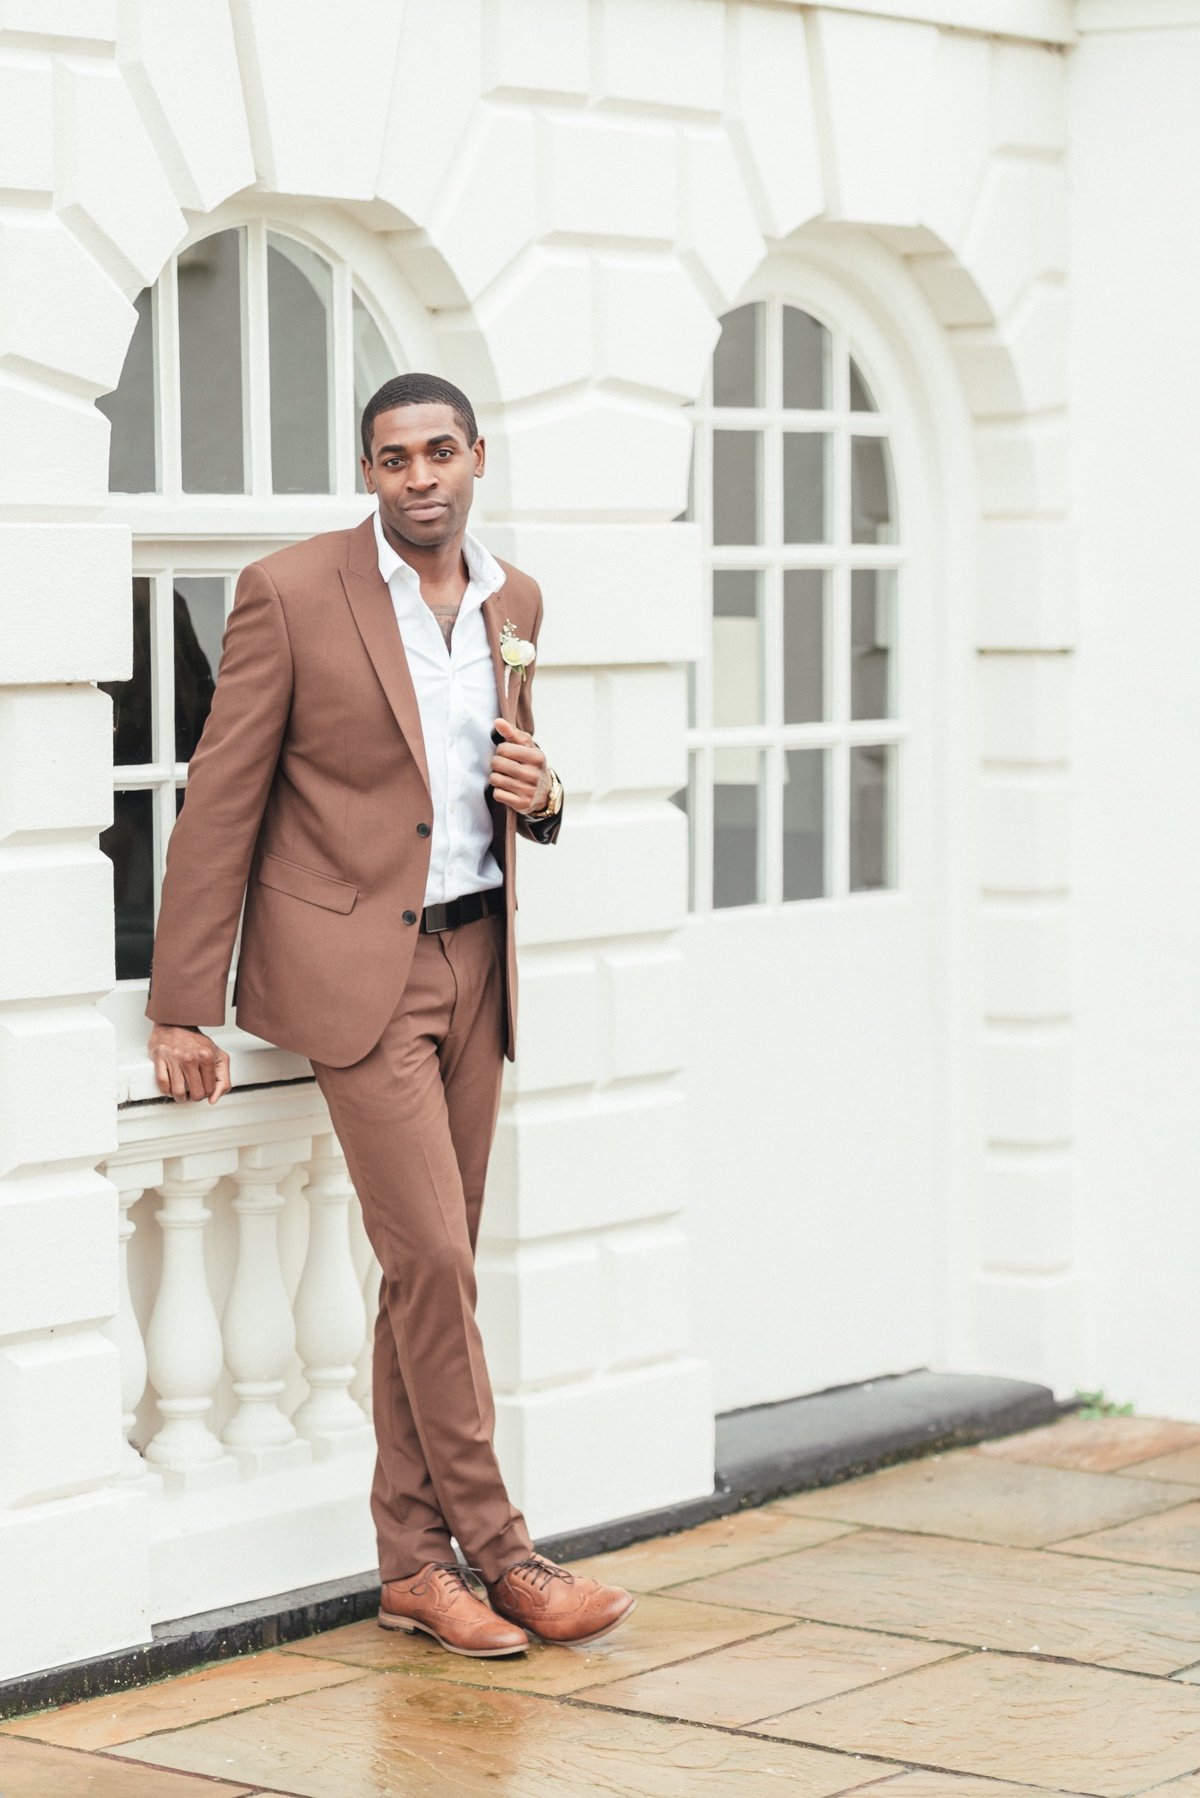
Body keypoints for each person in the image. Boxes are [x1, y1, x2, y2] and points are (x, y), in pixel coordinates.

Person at [143, 373, 635, 1659]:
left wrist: (548, 794)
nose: (417, 476)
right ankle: (506, 1552)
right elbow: (220, 798)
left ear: (478, 456)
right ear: (368, 473)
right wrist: (184, 1001)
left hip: (480, 959)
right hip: (363, 971)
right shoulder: (292, 593)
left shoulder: (513, 601)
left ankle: (414, 1567)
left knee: (431, 1267)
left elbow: (501, 785)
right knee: (436, 1263)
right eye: (390, 458)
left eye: (437, 453)